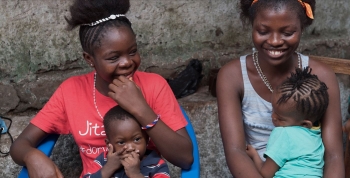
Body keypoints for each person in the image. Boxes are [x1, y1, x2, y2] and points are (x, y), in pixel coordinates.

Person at [10, 0, 193, 177]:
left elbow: (185, 159)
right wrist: (32, 156)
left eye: (132, 51)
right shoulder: (71, 91)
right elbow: (20, 145)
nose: (127, 62)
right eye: (113, 58)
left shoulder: (154, 85)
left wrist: (141, 109)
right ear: (89, 59)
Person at [216, 0, 344, 177]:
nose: (275, 41)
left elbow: (334, 155)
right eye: (263, 31)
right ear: (252, 26)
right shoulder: (232, 76)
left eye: (288, 32)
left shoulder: (322, 76)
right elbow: (235, 151)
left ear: (302, 27)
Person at [246, 67, 327, 178]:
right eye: (273, 110)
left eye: (280, 118)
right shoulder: (316, 131)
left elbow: (265, 174)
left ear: (305, 124)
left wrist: (254, 155)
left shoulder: (284, 134)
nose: (273, 117)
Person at [83, 105, 170, 178]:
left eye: (137, 139)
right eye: (121, 142)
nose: (130, 148)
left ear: (147, 139)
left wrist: (135, 174)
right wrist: (109, 167)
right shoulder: (103, 160)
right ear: (109, 144)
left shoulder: (156, 164)